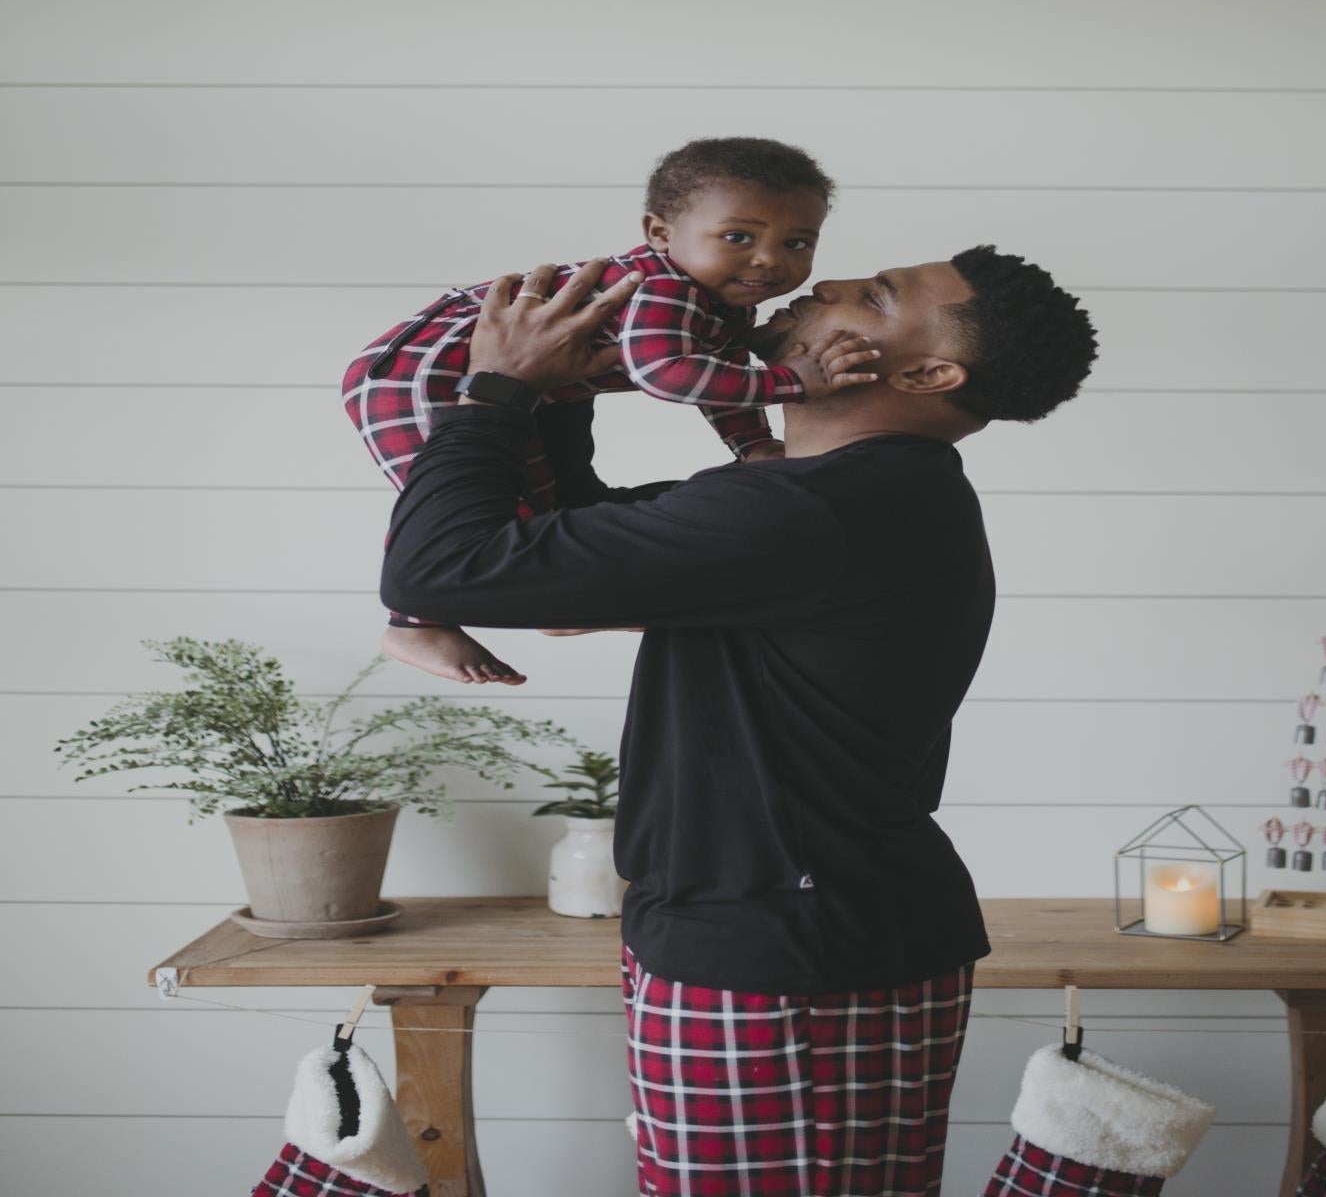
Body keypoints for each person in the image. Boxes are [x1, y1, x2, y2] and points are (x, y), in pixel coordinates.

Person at [379, 245, 1099, 1196]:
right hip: (783, 937)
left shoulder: (817, 512)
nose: (824, 285)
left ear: (929, 374)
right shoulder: (842, 500)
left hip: (786, 958)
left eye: (875, 298)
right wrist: (560, 392)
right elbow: (555, 564)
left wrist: (499, 388)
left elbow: (442, 570)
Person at [342, 136, 853, 686]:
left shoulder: (719, 300)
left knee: (534, 499)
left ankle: (552, 604)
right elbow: (666, 373)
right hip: (416, 376)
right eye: (738, 237)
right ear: (660, 233)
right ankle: (413, 623)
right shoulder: (664, 286)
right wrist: (788, 383)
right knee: (462, 504)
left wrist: (751, 445)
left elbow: (718, 374)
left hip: (504, 387)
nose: (769, 259)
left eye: (797, 242)